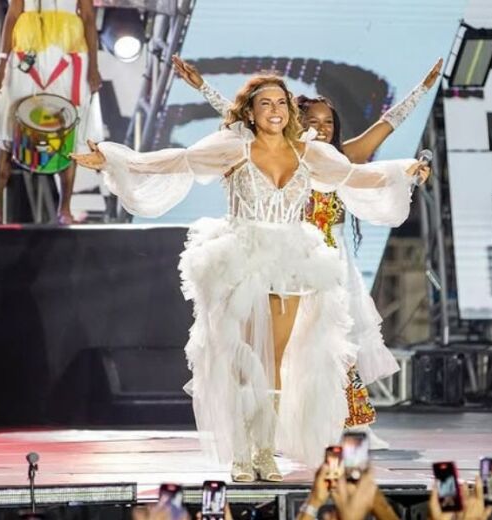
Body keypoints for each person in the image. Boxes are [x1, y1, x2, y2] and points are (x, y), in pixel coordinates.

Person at [72, 74, 429, 481]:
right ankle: (241, 452)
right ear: (251, 112)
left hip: (292, 259)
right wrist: (118, 160)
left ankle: (264, 450)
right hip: (241, 257)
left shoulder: (308, 153)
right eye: (266, 104)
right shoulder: (235, 148)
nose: (275, 110)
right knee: (243, 359)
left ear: (290, 111)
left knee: (275, 361)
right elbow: (179, 160)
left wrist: (405, 170)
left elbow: (355, 176)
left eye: (281, 103)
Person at [172, 55, 442, 450]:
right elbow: (240, 121)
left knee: (335, 343)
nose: (320, 128)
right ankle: (271, 431)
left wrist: (420, 91)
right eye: (312, 121)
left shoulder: (339, 160)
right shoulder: (288, 155)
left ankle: (344, 423)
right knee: (277, 349)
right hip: (288, 262)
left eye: (327, 122)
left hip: (330, 265)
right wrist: (202, 88)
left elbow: (385, 128)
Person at [0, 0, 102, 225]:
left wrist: (94, 67)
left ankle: (64, 209)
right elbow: (13, 13)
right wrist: (1, 62)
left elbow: (87, 16)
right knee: (9, 130)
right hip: (27, 52)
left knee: (69, 128)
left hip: (68, 53)